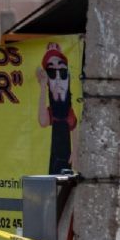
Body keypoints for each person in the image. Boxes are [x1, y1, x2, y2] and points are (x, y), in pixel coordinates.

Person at [36, 42, 77, 174]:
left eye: (63, 72)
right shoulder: (53, 112)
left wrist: (75, 151)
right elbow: (42, 121)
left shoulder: (70, 112)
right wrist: (42, 86)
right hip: (54, 160)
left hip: (67, 160)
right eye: (52, 73)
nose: (58, 79)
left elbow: (75, 132)